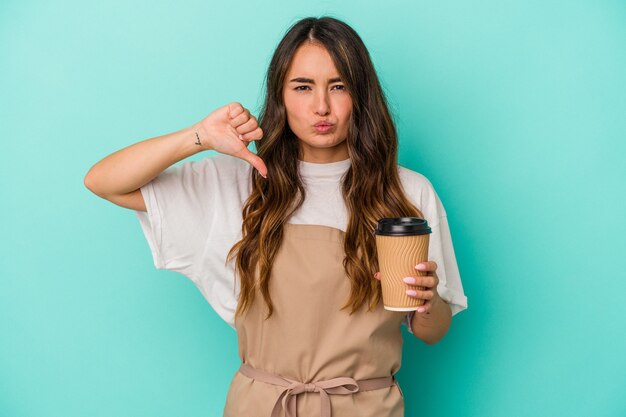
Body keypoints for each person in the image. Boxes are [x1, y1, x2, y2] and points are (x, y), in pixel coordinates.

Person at [84, 16, 467, 417]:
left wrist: (427, 302)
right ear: (280, 97)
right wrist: (198, 136)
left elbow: (433, 333)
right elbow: (104, 182)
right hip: (263, 407)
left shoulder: (406, 191)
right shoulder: (238, 183)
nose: (322, 106)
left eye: (339, 87)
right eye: (303, 87)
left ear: (361, 96)